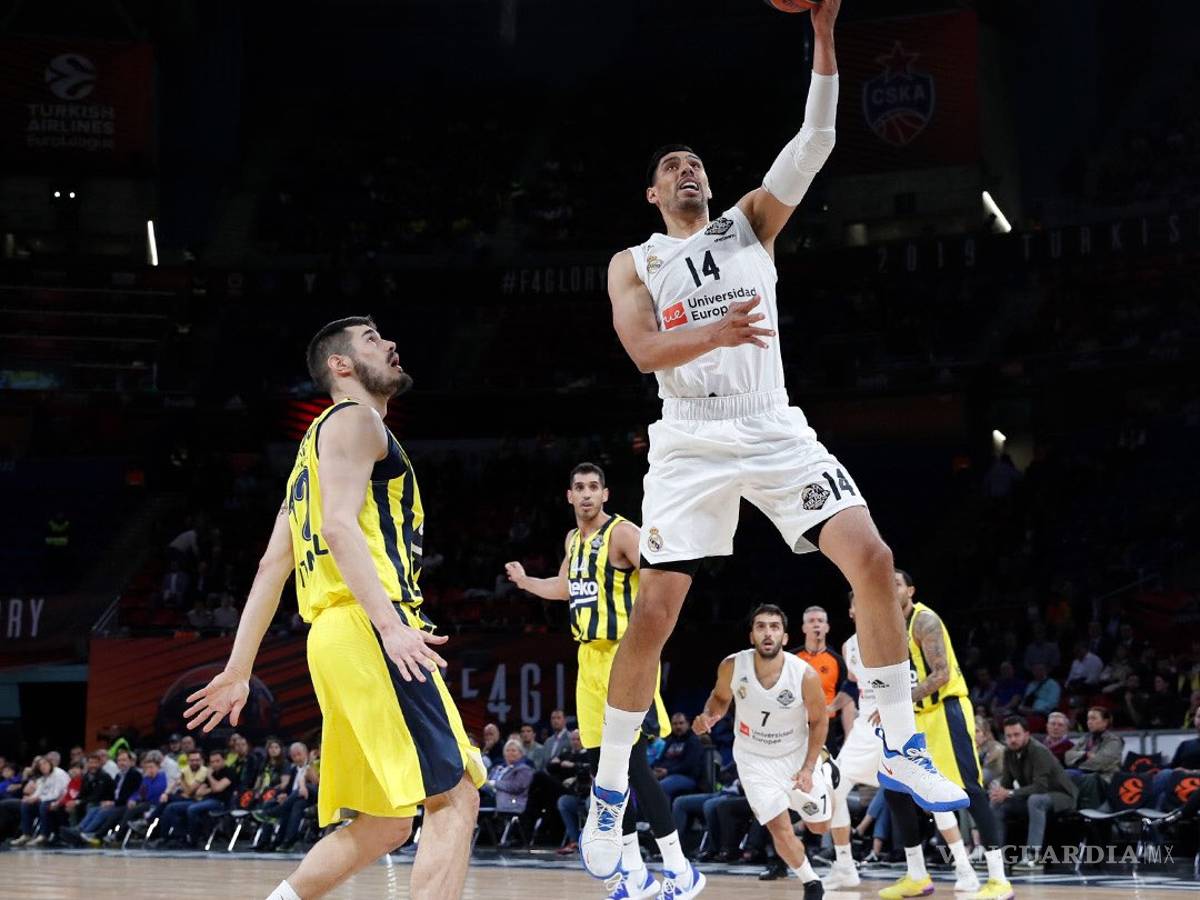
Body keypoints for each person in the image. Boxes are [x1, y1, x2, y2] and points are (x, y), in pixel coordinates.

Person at [583, 0, 967, 882]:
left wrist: (825, 33)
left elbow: (818, 138)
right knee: (655, 614)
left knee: (872, 558)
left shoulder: (750, 221)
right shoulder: (633, 262)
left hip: (770, 421)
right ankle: (610, 787)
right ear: (651, 194)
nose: (688, 170)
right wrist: (714, 338)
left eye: (696, 164)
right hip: (687, 437)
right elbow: (641, 350)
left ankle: (900, 738)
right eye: (671, 167)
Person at [182, 316, 485, 900]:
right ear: (340, 366)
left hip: (334, 636)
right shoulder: (357, 420)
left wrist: (239, 670)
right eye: (372, 340)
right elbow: (339, 527)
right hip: (368, 625)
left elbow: (274, 566)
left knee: (388, 820)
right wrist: (391, 627)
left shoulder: (309, 452)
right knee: (455, 795)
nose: (391, 342)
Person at [506, 462, 684, 899]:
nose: (586, 494)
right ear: (569, 496)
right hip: (589, 660)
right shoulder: (573, 539)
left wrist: (652, 640)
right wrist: (528, 583)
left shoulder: (623, 533)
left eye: (593, 487)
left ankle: (680, 870)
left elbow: (664, 577)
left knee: (635, 768)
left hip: (625, 655)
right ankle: (635, 876)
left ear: (605, 494)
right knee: (603, 770)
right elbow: (567, 587)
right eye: (579, 488)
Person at [823, 589, 981, 894]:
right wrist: (832, 706)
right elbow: (855, 687)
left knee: (931, 796)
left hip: (899, 722)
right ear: (853, 612)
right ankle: (845, 867)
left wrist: (895, 705)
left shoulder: (895, 638)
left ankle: (965, 868)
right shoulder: (848, 647)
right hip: (866, 730)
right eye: (861, 605)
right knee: (831, 790)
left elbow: (914, 678)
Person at [877, 571, 1012, 900]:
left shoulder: (925, 620)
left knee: (969, 790)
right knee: (895, 789)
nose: (890, 589)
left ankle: (998, 879)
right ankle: (917, 875)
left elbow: (941, 674)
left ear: (910, 590)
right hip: (916, 717)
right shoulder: (889, 628)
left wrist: (898, 701)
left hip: (946, 712)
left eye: (897, 584)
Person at [694, 604, 833, 899]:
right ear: (751, 636)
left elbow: (819, 720)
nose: (767, 632)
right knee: (778, 827)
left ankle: (826, 768)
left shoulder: (804, 674)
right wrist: (709, 715)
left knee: (819, 827)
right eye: (761, 626)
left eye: (774, 627)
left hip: (795, 754)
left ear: (784, 637)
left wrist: (808, 768)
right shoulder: (732, 665)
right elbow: (719, 699)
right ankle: (811, 882)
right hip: (753, 757)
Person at [990, 716, 1077, 871]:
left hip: (1061, 795)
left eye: (1016, 735)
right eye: (1009, 736)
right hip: (1033, 796)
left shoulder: (1039, 751)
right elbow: (1006, 784)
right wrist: (1000, 793)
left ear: (1027, 734)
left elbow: (1040, 788)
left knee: (1035, 800)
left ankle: (1033, 855)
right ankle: (994, 855)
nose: (1012, 740)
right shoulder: (1008, 752)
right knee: (998, 802)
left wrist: (1009, 793)